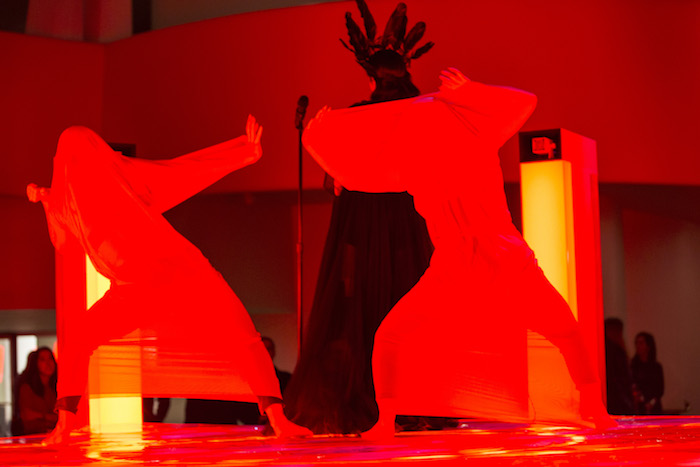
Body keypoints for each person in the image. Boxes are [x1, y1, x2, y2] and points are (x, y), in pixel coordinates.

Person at [302, 66, 616, 437]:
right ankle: (385, 419)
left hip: (497, 259)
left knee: (565, 330)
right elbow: (355, 179)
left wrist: (472, 90)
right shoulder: (420, 164)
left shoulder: (470, 142)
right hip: (465, 264)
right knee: (390, 336)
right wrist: (314, 139)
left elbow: (526, 102)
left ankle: (594, 406)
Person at [28, 116, 311, 444]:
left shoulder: (124, 176)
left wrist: (244, 153)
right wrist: (48, 202)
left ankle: (279, 419)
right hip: (133, 290)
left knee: (243, 335)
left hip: (183, 273)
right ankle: (64, 424)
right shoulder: (69, 205)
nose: (75, 164)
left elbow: (183, 171)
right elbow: (63, 244)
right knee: (80, 338)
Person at [282, 0, 434, 435]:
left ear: (370, 79)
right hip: (408, 226)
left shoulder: (354, 117)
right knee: (407, 308)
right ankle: (414, 404)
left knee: (360, 312)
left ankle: (366, 402)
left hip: (362, 229)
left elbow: (335, 182)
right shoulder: (419, 116)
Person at [14, 347, 58, 435]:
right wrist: (48, 417)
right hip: (33, 436)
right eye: (42, 360)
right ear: (35, 363)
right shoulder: (27, 388)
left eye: (50, 358)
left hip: (54, 435)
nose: (48, 363)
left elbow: (60, 417)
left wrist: (41, 416)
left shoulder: (56, 387)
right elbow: (27, 415)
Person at [604, 317, 635, 415]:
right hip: (618, 400)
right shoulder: (616, 350)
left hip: (610, 398)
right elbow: (621, 378)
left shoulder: (604, 349)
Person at [631, 332, 664, 415]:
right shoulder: (633, 366)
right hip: (638, 408)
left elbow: (660, 390)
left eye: (641, 343)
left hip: (654, 409)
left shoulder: (656, 367)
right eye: (636, 343)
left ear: (648, 346)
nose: (638, 346)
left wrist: (651, 403)